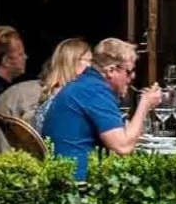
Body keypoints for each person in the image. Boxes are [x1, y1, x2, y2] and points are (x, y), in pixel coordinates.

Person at [40, 36, 159, 179]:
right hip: (77, 182)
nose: (133, 76)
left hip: (68, 174)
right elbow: (123, 147)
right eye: (129, 71)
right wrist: (145, 104)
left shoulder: (87, 84)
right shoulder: (94, 91)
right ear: (111, 70)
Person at [0, 37, 88, 126]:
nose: (91, 66)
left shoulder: (64, 94)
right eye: (89, 60)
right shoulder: (58, 96)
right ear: (71, 63)